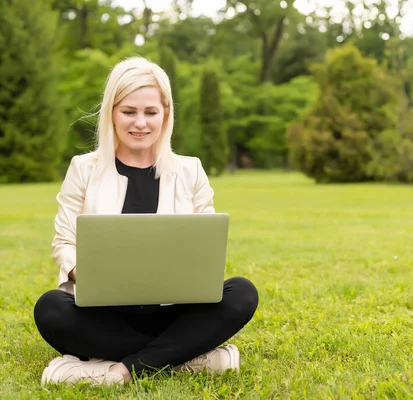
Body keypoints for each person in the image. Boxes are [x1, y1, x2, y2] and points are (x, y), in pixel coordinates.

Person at [33, 56, 259, 386]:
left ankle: (119, 371)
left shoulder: (190, 170)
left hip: (172, 310)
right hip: (104, 312)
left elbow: (205, 247)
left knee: (242, 292)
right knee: (50, 307)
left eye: (150, 112)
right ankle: (186, 358)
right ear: (112, 112)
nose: (140, 123)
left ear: (165, 114)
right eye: (129, 111)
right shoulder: (84, 169)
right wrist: (90, 275)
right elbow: (64, 243)